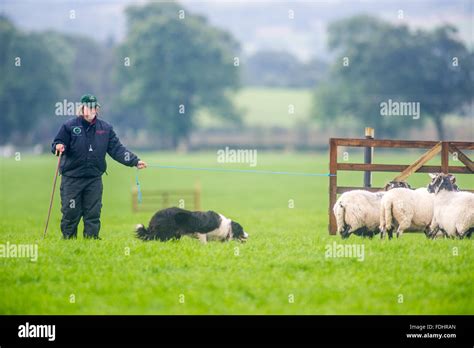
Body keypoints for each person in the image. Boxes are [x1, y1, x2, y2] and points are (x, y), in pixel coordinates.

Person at [51, 94, 147, 239]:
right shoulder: (69, 126)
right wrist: (58, 146)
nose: (91, 111)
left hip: (94, 179)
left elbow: (117, 150)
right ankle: (68, 241)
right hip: (72, 179)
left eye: (94, 108)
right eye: (88, 108)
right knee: (71, 212)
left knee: (93, 212)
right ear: (82, 109)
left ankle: (91, 241)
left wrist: (134, 161)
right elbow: (57, 143)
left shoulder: (105, 128)